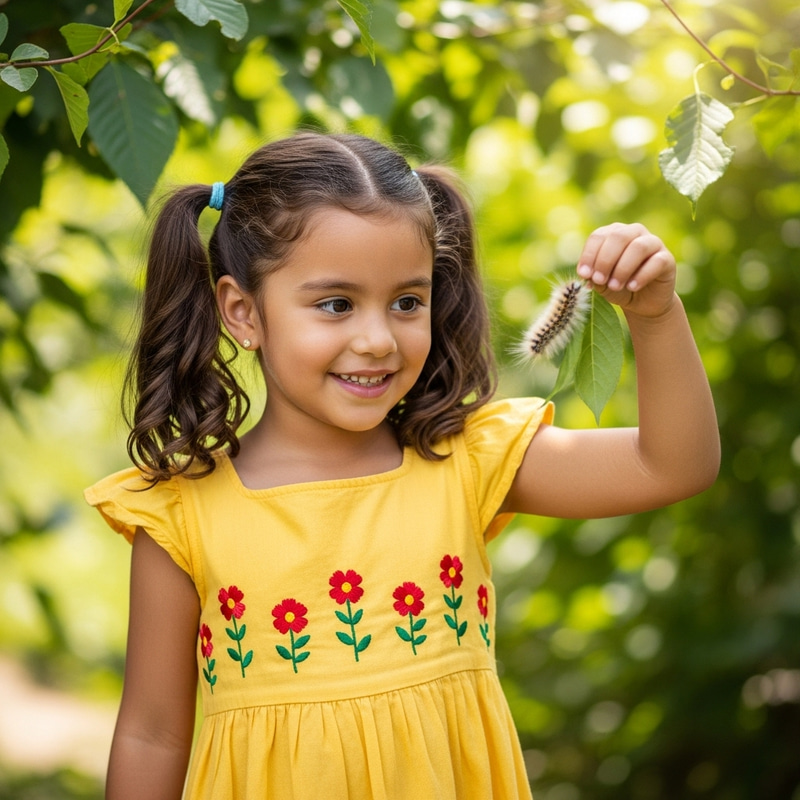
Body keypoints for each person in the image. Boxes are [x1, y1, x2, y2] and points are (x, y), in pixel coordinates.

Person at [85, 132, 720, 800]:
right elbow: (152, 734)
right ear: (243, 311)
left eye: (406, 302)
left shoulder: (464, 461)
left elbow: (673, 465)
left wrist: (655, 315)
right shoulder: (182, 514)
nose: (378, 339)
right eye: (336, 304)